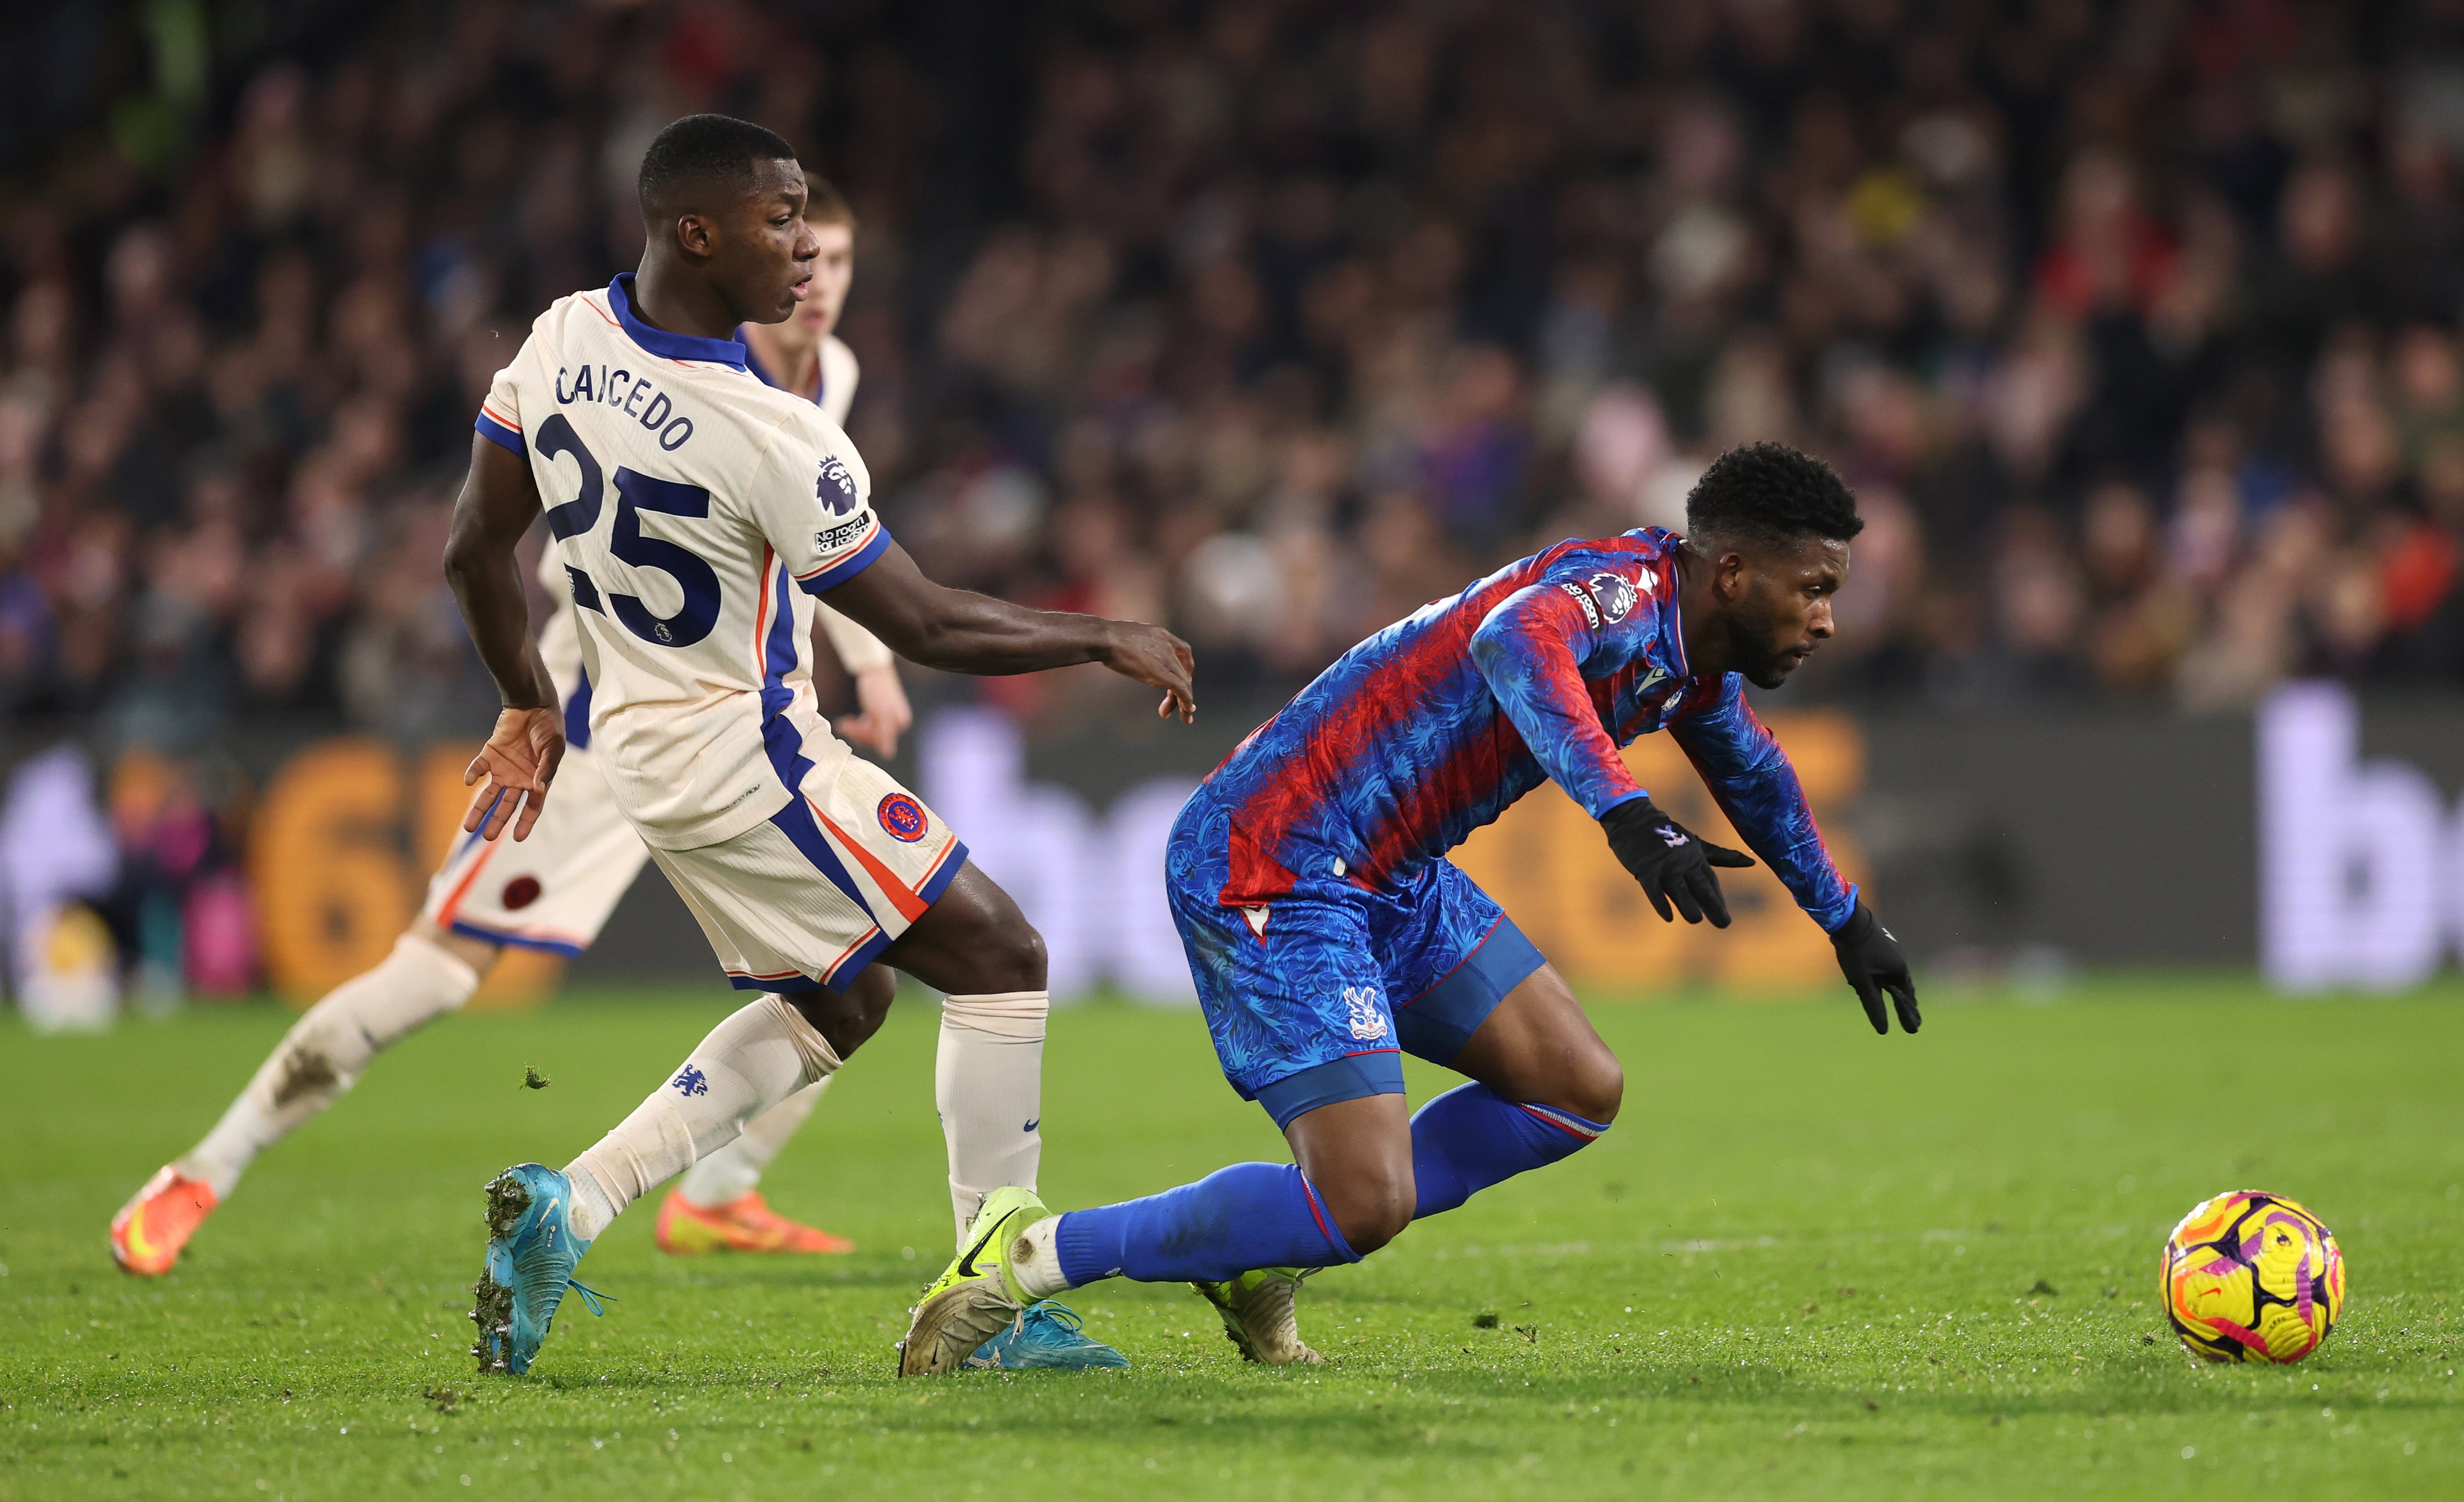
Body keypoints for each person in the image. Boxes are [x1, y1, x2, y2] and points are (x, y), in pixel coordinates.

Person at [894, 442, 1921, 1374]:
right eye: (1816, 587)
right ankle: (1030, 1253)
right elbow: (1515, 640)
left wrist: (1845, 919)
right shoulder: (1618, 589)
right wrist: (1624, 811)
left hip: (1391, 876)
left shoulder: (1689, 663)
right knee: (1364, 1202)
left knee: (1574, 1087)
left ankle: (1262, 1250)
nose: (1827, 616)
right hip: (1276, 860)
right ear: (1734, 572)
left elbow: (1754, 772)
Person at [444, 112, 1197, 1377]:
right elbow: (927, 622)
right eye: (781, 218)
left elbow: (473, 546)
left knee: (844, 995)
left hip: (639, 751)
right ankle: (995, 1302)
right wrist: (1099, 631)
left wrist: (527, 698)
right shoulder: (772, 428)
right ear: (698, 231)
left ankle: (569, 1205)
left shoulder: (562, 336)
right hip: (749, 756)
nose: (807, 247)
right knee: (1002, 953)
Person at [108, 176, 914, 1278]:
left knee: (865, 948)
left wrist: (862, 660)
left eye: (838, 261)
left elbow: (802, 554)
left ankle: (719, 1193)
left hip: (736, 741)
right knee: (433, 975)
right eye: (797, 249)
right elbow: (546, 547)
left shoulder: (828, 385)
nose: (816, 281)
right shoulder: (669, 371)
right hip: (597, 735)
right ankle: (203, 1167)